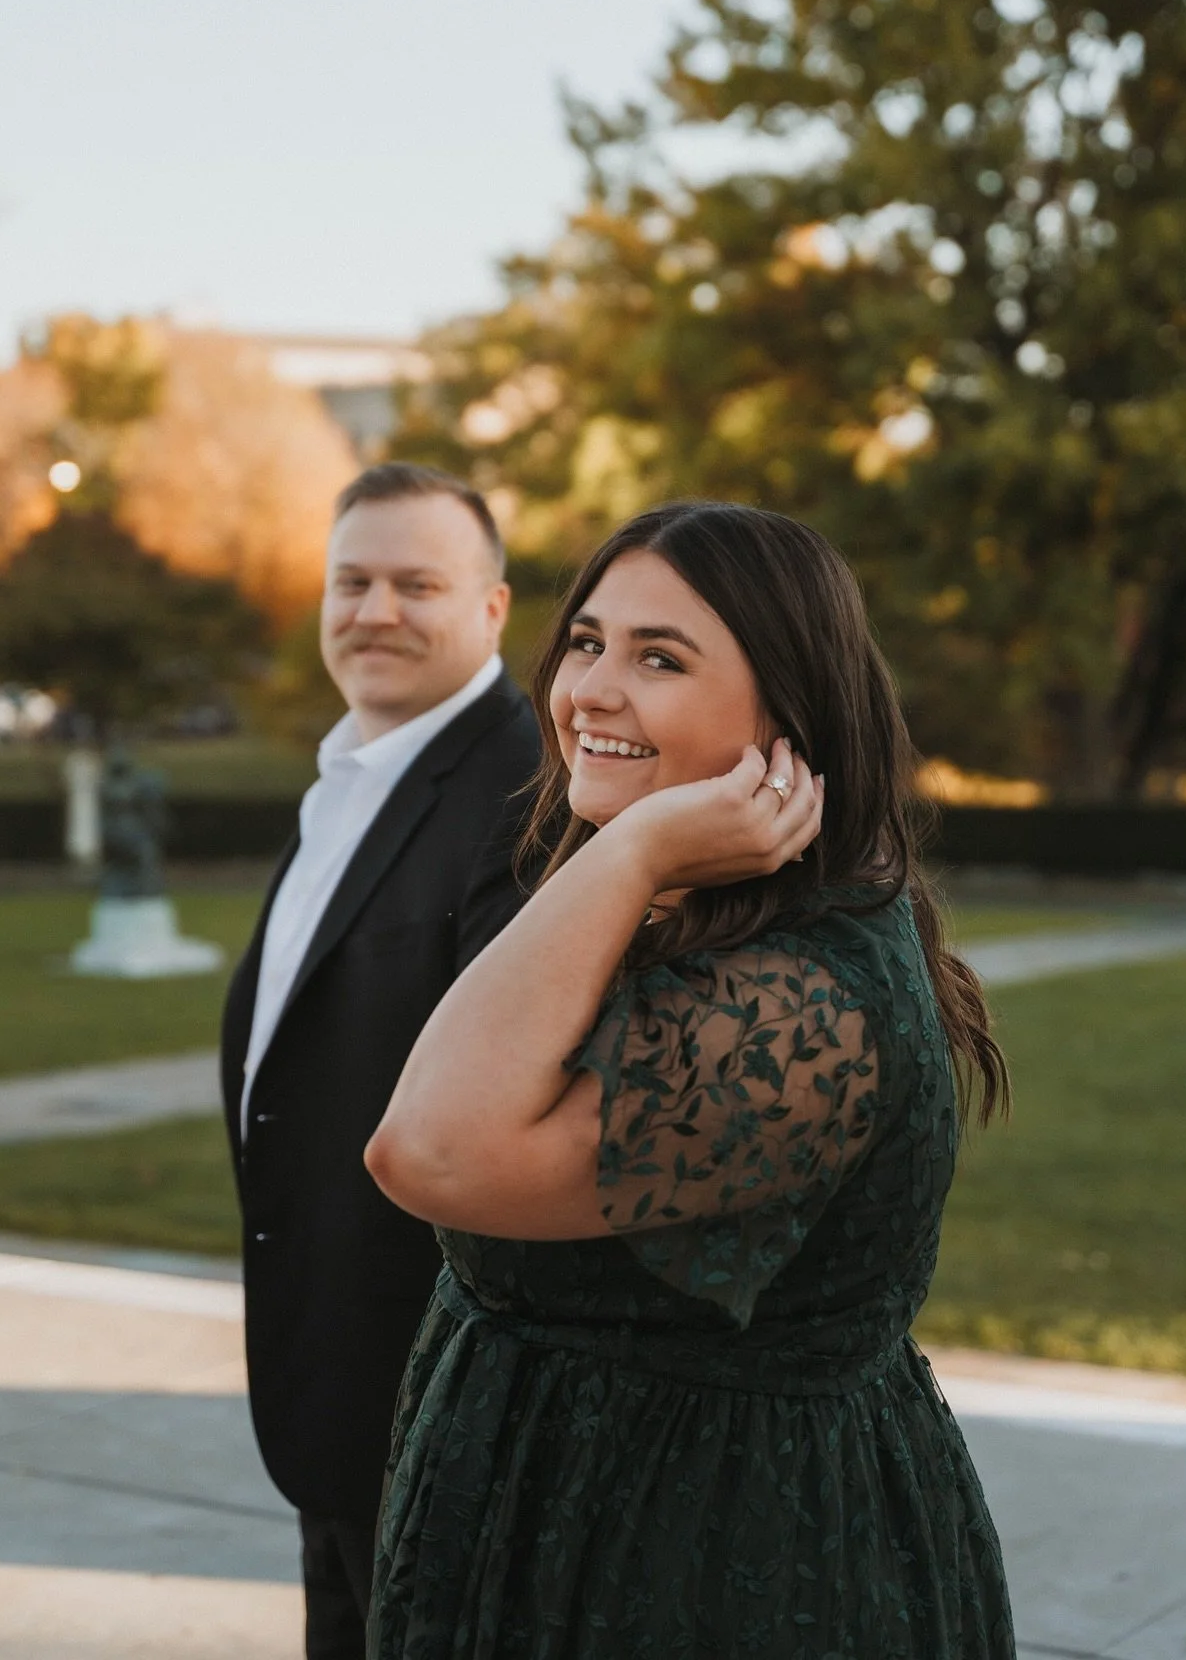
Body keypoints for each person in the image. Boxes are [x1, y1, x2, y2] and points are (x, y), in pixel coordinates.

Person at [364, 499, 1015, 1659]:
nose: (591, 692)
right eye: (587, 642)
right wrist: (631, 862)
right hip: (560, 1531)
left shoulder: (801, 1006)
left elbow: (428, 1151)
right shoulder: (682, 915)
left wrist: (638, 844)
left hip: (706, 1565)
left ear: (787, 713)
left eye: (659, 658)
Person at [218, 463, 539, 1660]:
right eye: (352, 581)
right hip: (329, 1377)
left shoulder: (522, 795)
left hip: (432, 1391)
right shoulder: (352, 772)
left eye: (417, 584)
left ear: (493, 610)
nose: (376, 611)